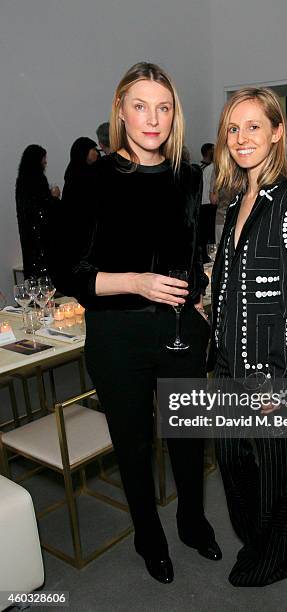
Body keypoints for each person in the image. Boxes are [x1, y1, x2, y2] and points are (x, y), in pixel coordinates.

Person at [52, 62, 220, 585]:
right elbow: (70, 274)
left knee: (190, 439)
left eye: (164, 107)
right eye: (141, 106)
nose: (153, 118)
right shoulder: (91, 178)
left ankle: (192, 520)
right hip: (117, 336)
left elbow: (189, 260)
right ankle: (150, 536)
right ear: (120, 112)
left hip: (179, 329)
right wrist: (137, 282)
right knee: (134, 445)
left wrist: (198, 297)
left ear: (176, 115)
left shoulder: (189, 177)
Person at [210, 87, 287, 587]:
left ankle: (272, 559)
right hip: (229, 364)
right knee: (230, 458)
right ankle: (256, 541)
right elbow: (231, 286)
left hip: (269, 368)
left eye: (254, 126)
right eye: (234, 127)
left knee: (275, 470)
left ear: (277, 133)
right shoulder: (236, 204)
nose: (242, 137)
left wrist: (279, 379)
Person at [15, 144, 61, 279]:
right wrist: (54, 197)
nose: (45, 162)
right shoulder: (38, 179)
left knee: (34, 273)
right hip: (42, 236)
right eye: (43, 158)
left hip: (28, 236)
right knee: (46, 273)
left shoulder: (21, 180)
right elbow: (45, 207)